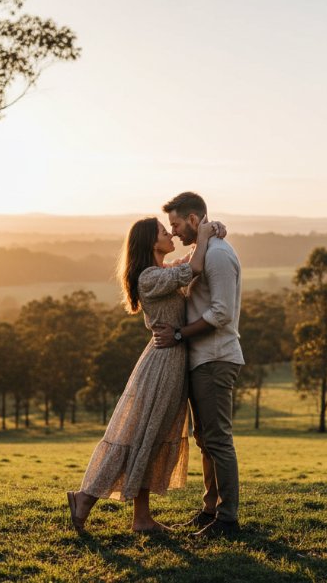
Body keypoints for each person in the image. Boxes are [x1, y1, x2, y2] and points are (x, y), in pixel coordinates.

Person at [67, 215, 223, 533]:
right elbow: (192, 268)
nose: (170, 235)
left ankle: (141, 518)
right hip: (162, 365)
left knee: (149, 439)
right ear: (152, 243)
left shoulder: (160, 272)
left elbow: (189, 259)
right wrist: (204, 234)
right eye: (165, 232)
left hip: (170, 362)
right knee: (140, 438)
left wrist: (213, 231)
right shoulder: (149, 277)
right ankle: (83, 499)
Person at [152, 191, 244, 539]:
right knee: (205, 439)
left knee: (218, 439)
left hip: (216, 358)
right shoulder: (203, 252)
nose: (173, 232)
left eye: (176, 224)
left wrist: (178, 335)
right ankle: (211, 510)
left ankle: (227, 519)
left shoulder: (218, 255)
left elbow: (221, 313)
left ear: (194, 220)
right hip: (202, 359)